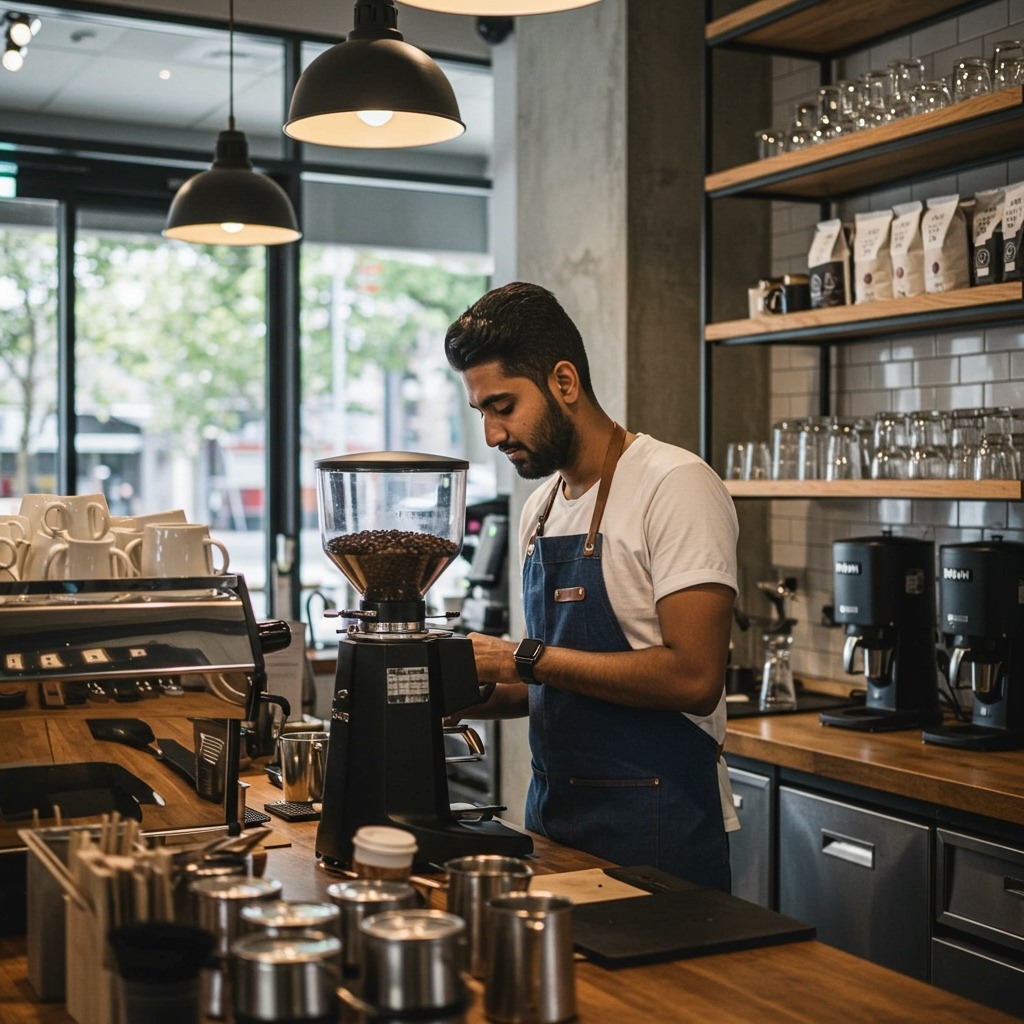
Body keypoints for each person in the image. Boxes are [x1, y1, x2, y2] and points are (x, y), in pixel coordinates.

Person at [444, 281, 740, 892]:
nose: (493, 435)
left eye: (503, 406)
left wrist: (519, 657)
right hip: (555, 828)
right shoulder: (541, 508)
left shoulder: (675, 484)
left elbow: (695, 678)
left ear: (564, 382)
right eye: (482, 414)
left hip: (658, 834)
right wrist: (453, 699)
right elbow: (559, 683)